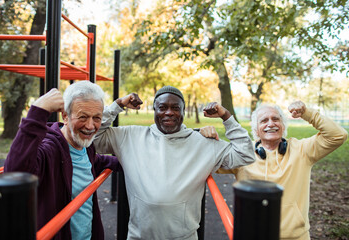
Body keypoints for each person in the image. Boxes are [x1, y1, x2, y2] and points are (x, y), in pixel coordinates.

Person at [94, 85, 256, 240]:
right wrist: (118, 105)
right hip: (139, 236)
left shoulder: (204, 143)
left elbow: (245, 154)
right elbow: (94, 138)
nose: (169, 112)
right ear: (155, 110)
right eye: (162, 107)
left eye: (175, 108)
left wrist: (226, 116)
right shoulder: (129, 136)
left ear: (183, 111)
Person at [4, 81, 140, 240]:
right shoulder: (50, 149)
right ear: (65, 116)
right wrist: (38, 111)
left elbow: (96, 162)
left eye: (96, 117)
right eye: (83, 117)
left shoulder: (85, 145)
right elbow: (14, 173)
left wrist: (133, 161)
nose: (90, 126)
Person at [217, 100, 348, 240]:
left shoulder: (302, 150)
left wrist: (307, 113)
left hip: (296, 236)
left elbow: (338, 136)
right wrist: (209, 139)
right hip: (253, 234)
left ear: (283, 125)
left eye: (275, 119)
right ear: (256, 129)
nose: (271, 124)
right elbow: (210, 161)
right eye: (264, 121)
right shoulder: (243, 154)